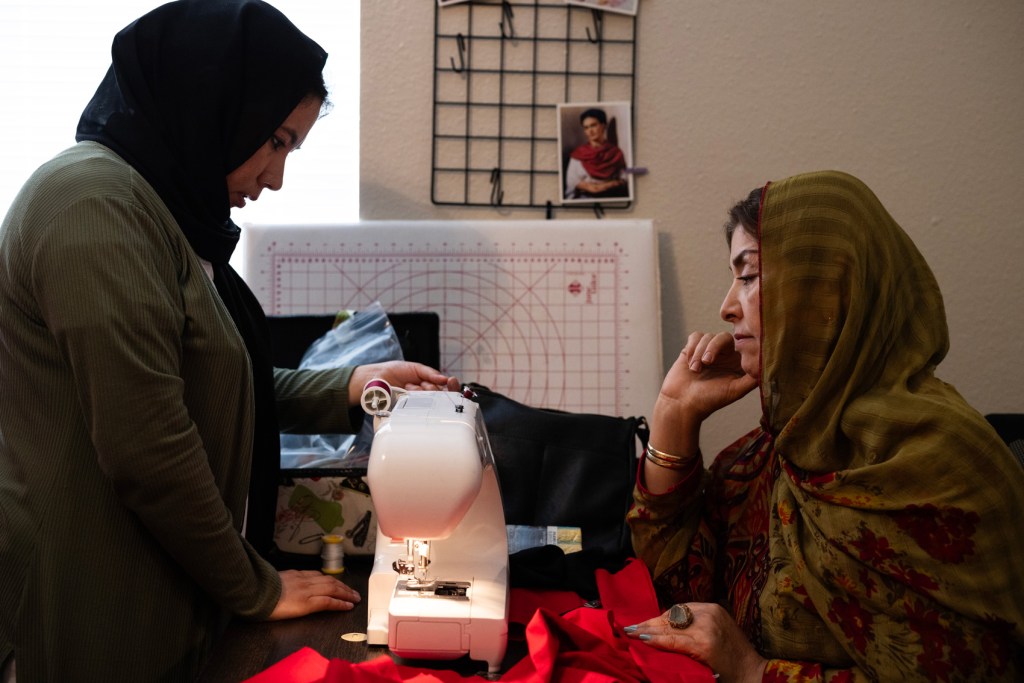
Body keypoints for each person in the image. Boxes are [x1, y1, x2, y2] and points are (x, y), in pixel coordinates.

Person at [0, 1, 458, 680]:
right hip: (88, 608)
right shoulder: (93, 208)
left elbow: (204, 384)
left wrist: (353, 384)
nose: (273, 177)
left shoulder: (159, 211)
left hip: (156, 592)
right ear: (211, 102)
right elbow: (147, 442)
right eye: (274, 141)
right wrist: (256, 584)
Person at [624, 171, 1024, 681]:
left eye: (748, 277)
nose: (726, 307)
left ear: (823, 291)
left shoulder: (947, 461)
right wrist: (675, 412)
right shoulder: (776, 452)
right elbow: (678, 600)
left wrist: (753, 671)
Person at [563, 108, 630, 200]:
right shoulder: (577, 156)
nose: (590, 131)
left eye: (593, 125)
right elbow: (589, 188)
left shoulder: (616, 153)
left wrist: (610, 185)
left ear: (603, 126)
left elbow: (624, 179)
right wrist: (612, 183)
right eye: (586, 127)